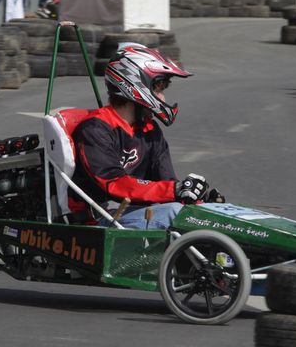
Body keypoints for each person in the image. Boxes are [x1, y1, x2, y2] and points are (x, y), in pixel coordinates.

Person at [69, 44, 221, 229]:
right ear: (134, 85)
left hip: (135, 215)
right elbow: (116, 184)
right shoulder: (94, 130)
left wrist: (197, 199)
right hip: (99, 221)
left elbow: (167, 183)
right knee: (175, 212)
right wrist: (174, 190)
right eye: (158, 89)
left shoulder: (150, 130)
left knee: (207, 211)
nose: (163, 98)